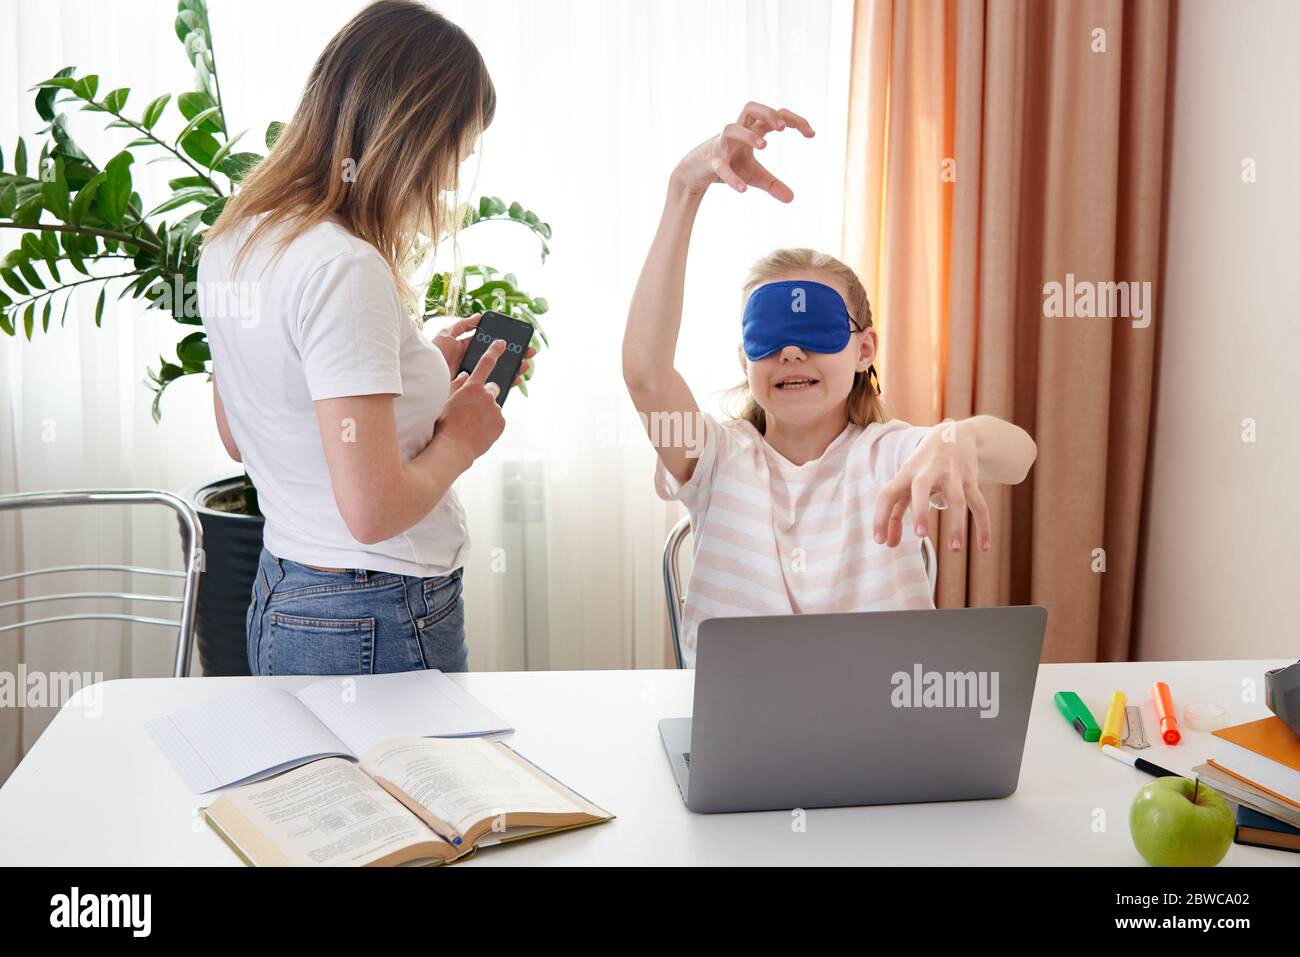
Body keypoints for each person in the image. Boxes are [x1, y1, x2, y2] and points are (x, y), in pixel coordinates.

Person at [622, 101, 1038, 667]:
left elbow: (1018, 456)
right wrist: (683, 189)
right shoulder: (715, 460)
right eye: (769, 336)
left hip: (886, 730)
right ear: (746, 359)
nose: (791, 350)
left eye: (815, 331)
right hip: (743, 735)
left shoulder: (890, 455)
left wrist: (954, 438)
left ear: (864, 350)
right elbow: (646, 375)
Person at [198, 1, 531, 675]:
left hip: (286, 593)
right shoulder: (345, 267)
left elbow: (247, 429)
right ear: (412, 139)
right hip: (374, 610)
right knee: (410, 786)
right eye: (454, 155)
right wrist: (462, 436)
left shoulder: (238, 237)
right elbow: (373, 511)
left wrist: (415, 371)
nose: (447, 183)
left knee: (318, 786)